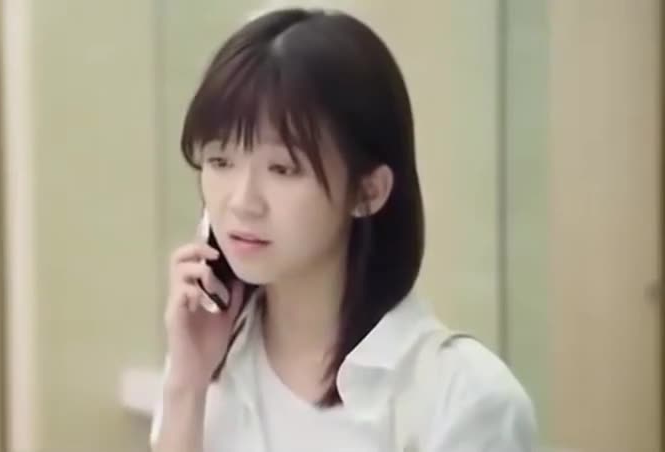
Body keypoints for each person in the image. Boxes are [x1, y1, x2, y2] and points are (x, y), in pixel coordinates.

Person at [151, 7, 537, 452]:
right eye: (220, 161)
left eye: (282, 168)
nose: (241, 202)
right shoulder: (204, 370)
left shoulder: (463, 398)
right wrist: (186, 385)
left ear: (368, 191)